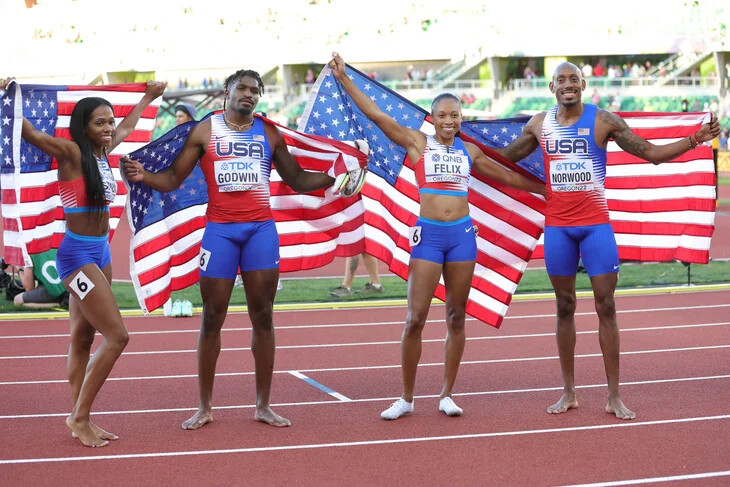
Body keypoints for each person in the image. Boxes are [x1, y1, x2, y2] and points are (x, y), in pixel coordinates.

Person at [122, 69, 353, 430]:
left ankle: (263, 405)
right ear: (227, 92)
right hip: (220, 233)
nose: (248, 94)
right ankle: (204, 407)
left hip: (260, 231)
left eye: (254, 90)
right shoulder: (205, 130)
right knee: (212, 317)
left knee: (263, 315)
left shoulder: (269, 133)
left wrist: (335, 178)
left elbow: (296, 179)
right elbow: (173, 178)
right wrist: (144, 177)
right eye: (242, 88)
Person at [494, 62, 720, 420]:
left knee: (607, 306)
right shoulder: (538, 124)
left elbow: (651, 154)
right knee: (564, 307)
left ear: (583, 84)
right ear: (552, 87)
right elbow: (502, 158)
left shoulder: (604, 121)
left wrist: (696, 139)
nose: (568, 85)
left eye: (574, 79)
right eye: (561, 80)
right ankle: (568, 392)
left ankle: (614, 396)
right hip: (559, 229)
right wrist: (457, 143)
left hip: (595, 228)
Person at [329, 52, 546, 420]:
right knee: (415, 318)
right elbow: (377, 115)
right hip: (429, 237)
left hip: (462, 237)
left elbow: (507, 176)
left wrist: (548, 190)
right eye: (443, 115)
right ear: (433, 118)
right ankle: (406, 398)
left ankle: (447, 394)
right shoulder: (418, 142)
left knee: (456, 317)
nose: (449, 121)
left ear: (461, 119)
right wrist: (345, 79)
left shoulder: (470, 150)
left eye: (455, 115)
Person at [1, 77, 166, 446]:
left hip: (100, 252)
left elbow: (126, 128)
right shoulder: (72, 153)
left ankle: (81, 416)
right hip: (76, 256)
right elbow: (31, 133)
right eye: (99, 122)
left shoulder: (102, 153)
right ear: (83, 126)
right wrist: (9, 96)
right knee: (118, 336)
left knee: (82, 336)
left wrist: (147, 98)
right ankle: (79, 417)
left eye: (109, 121)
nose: (108, 128)